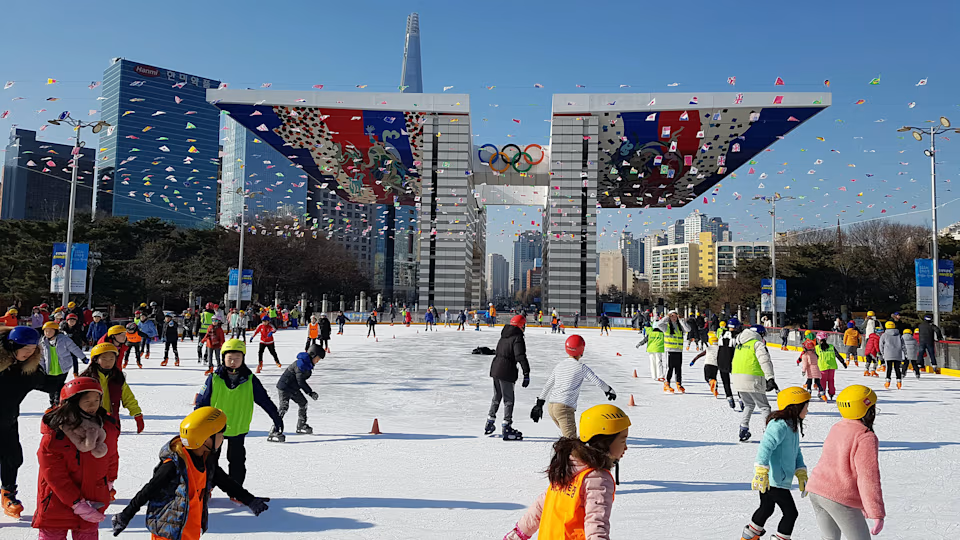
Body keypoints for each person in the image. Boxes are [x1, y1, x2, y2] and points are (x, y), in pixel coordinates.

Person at [110, 407, 270, 537]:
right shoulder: (173, 465)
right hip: (168, 532)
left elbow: (224, 481)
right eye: (220, 434)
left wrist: (250, 500)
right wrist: (126, 515)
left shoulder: (207, 458)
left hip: (190, 529)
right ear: (205, 439)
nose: (223, 438)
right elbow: (148, 490)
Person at [503, 404, 630, 540]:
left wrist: (518, 534)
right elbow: (596, 524)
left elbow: (541, 505)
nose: (626, 447)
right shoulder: (597, 479)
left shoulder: (569, 467)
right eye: (623, 440)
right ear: (605, 441)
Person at [32, 377, 120, 540]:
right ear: (72, 401)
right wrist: (76, 503)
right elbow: (53, 473)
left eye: (97, 399)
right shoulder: (55, 433)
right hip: (57, 500)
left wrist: (108, 482)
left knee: (87, 535)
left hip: (92, 497)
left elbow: (112, 456)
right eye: (87, 401)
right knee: (53, 535)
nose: (93, 405)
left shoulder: (106, 427)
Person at [196, 339, 283, 485]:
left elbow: (264, 400)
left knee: (237, 460)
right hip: (214, 428)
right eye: (229, 358)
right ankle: (206, 488)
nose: (233, 362)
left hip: (238, 426)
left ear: (243, 359)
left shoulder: (250, 379)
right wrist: (197, 424)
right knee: (209, 460)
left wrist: (276, 417)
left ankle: (236, 490)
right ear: (223, 358)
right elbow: (201, 402)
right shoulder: (214, 378)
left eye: (237, 358)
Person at [0, 326, 67, 518]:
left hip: (7, 421)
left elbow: (50, 385)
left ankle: (8, 494)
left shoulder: (28, 370)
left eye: (32, 349)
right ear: (12, 345)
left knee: (13, 458)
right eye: (25, 349)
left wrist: (72, 382)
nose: (29, 353)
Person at [806, 385, 885, 540]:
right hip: (838, 497)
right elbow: (868, 477)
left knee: (829, 538)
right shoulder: (864, 437)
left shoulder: (838, 427)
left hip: (816, 490)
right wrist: (875, 512)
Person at [739, 387, 811, 540]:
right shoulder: (779, 425)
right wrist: (761, 471)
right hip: (772, 480)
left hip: (777, 479)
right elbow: (765, 447)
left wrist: (801, 472)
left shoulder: (792, 426)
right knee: (791, 513)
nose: (807, 410)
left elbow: (795, 451)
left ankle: (749, 537)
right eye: (806, 406)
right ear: (795, 406)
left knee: (766, 508)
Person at [531, 335, 615, 438]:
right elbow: (597, 381)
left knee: (569, 439)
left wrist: (539, 404)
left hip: (552, 407)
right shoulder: (581, 367)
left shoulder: (560, 365)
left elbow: (548, 385)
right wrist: (609, 390)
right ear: (581, 350)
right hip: (564, 408)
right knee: (572, 442)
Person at [80, 343, 144, 440]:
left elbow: (128, 397)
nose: (108, 362)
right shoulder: (87, 379)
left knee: (110, 450)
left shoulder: (118, 378)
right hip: (89, 421)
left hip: (111, 421)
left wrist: (137, 413)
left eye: (111, 359)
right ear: (96, 360)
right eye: (104, 358)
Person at [486, 315, 530, 441]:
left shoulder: (504, 335)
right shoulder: (517, 337)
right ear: (521, 326)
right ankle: (507, 427)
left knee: (497, 396)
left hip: (495, 369)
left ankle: (489, 422)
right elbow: (520, 356)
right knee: (508, 400)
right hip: (506, 371)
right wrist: (526, 373)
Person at [732, 324, 778, 442]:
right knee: (764, 406)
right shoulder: (757, 344)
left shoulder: (740, 344)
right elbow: (765, 361)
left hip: (738, 379)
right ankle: (769, 432)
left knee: (749, 405)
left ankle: (743, 428)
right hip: (753, 378)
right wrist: (770, 378)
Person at [275, 344, 324, 438]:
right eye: (317, 358)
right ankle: (275, 430)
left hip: (293, 388)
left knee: (303, 403)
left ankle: (301, 425)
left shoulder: (307, 364)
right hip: (284, 386)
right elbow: (300, 381)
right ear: (312, 355)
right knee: (283, 407)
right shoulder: (301, 364)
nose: (318, 361)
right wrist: (310, 392)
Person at [39, 321, 87, 407]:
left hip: (62, 367)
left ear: (55, 331)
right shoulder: (42, 343)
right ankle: (52, 402)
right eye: (46, 331)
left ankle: (58, 402)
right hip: (50, 368)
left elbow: (74, 348)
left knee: (59, 385)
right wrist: (41, 367)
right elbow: (41, 357)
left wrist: (83, 357)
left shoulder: (64, 339)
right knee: (51, 387)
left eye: (50, 331)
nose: (48, 333)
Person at [655, 310, 691, 394]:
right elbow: (658, 324)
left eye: (675, 316)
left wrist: (682, 321)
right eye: (672, 316)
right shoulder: (666, 326)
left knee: (678, 368)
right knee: (670, 368)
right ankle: (667, 383)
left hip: (678, 350)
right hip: (670, 350)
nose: (674, 318)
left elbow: (688, 329)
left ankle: (679, 383)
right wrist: (667, 317)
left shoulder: (679, 327)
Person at [690, 331, 724, 398]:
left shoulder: (709, 348)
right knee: (714, 377)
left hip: (708, 364)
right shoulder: (720, 349)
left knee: (707, 378)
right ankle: (715, 390)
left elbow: (699, 355)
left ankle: (712, 383)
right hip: (716, 365)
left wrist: (693, 361)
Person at [816, 331, 848, 401]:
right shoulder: (831, 347)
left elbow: (815, 357)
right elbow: (838, 355)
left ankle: (821, 393)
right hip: (832, 367)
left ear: (819, 339)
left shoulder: (817, 348)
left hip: (823, 367)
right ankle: (831, 393)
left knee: (823, 381)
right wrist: (843, 362)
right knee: (831, 380)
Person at [878, 321, 905, 389]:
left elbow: (881, 345)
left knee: (888, 369)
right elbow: (903, 345)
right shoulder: (899, 335)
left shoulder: (884, 335)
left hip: (888, 354)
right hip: (897, 354)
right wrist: (904, 353)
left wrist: (883, 353)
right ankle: (899, 382)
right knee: (897, 368)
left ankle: (887, 381)